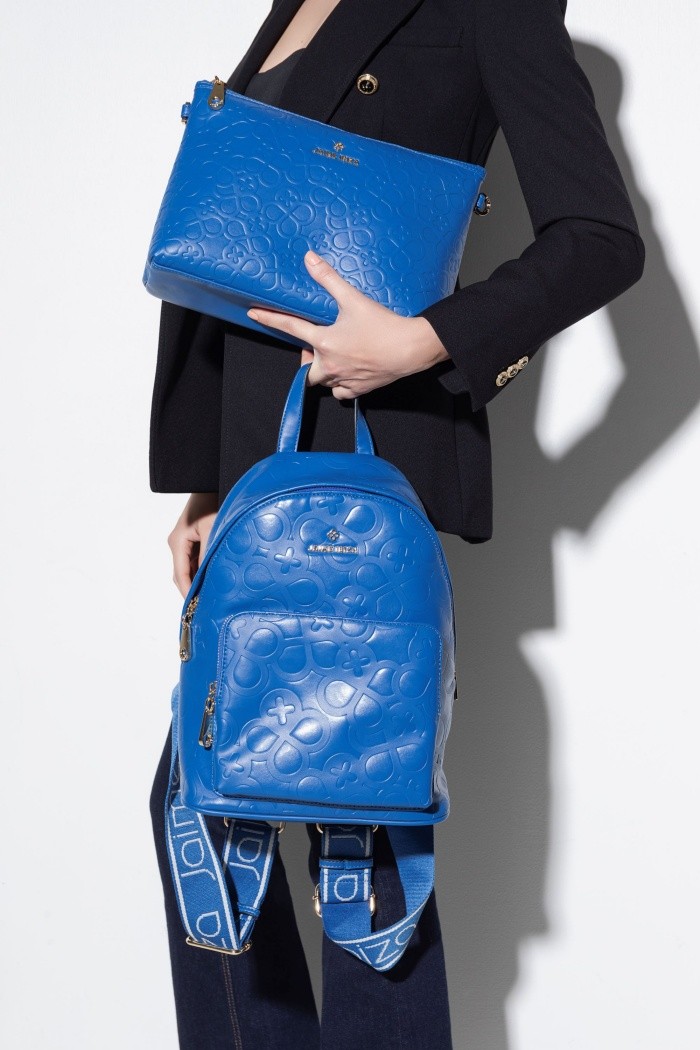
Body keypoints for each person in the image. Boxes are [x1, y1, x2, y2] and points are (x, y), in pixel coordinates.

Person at [148, 1, 645, 1046]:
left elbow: (600, 240)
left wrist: (424, 342)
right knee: (207, 809)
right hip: (262, 476)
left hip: (360, 484)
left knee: (360, 839)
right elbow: (246, 251)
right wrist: (210, 482)